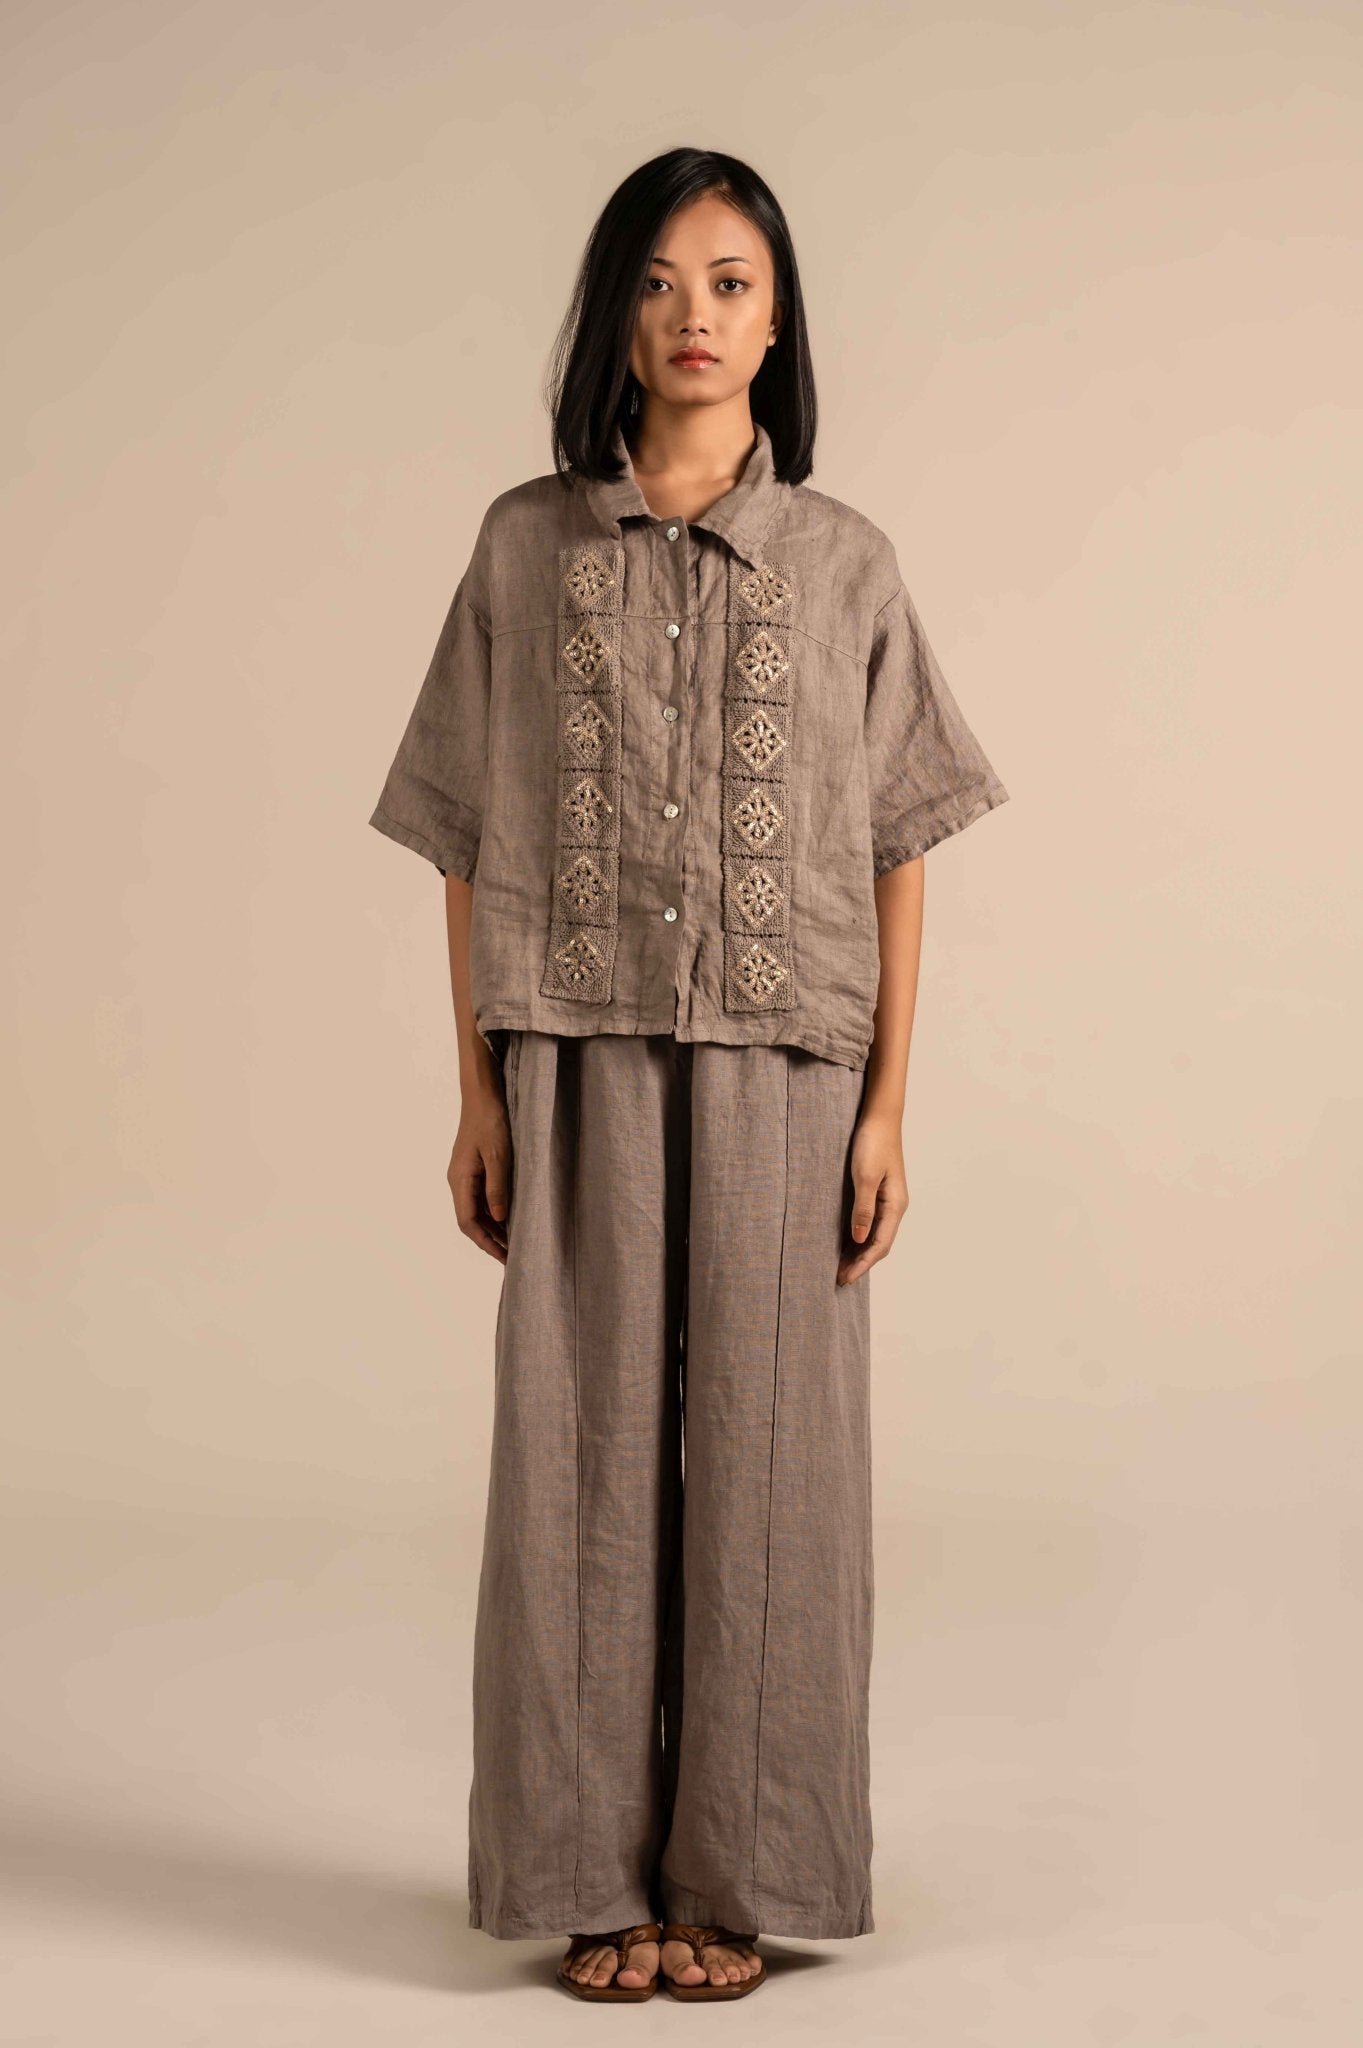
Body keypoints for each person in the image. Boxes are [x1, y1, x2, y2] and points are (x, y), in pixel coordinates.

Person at [368, 146, 1010, 2003]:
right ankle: (591, 1875)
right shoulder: (524, 548)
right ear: (615, 315)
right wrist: (478, 1088)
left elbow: (898, 840)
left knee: (773, 1465)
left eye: (730, 282)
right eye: (657, 282)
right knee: (575, 1461)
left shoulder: (845, 562)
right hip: (573, 1057)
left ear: (778, 317)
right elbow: (465, 831)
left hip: (790, 1070)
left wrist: (888, 1109)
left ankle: (740, 1878)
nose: (695, 316)